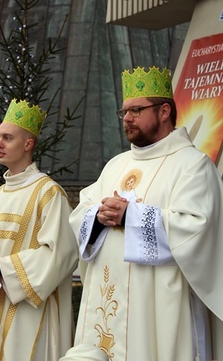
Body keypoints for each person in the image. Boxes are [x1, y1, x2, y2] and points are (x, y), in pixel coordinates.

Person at [68, 66, 223, 361]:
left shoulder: (193, 165)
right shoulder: (115, 165)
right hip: (106, 304)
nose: (127, 118)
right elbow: (79, 215)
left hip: (156, 310)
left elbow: (197, 229)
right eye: (124, 112)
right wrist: (98, 217)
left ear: (164, 111)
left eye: (137, 110)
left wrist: (131, 217)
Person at [0, 99, 78, 361]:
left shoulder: (49, 193)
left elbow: (62, 253)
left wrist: (6, 268)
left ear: (28, 144)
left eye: (7, 138)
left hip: (30, 312)